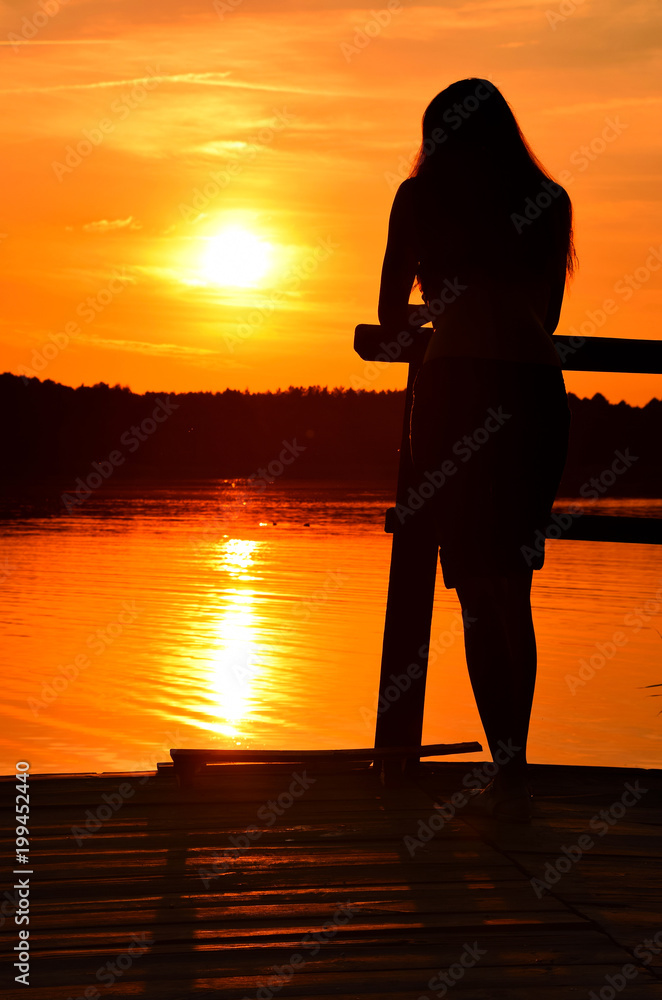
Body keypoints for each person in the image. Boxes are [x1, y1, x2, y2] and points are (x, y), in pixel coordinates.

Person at [377, 79, 576, 821]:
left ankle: (504, 760)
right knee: (511, 587)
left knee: (473, 587)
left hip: (458, 387)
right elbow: (547, 314)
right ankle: (514, 761)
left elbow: (389, 313)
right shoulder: (549, 202)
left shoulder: (419, 198)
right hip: (532, 392)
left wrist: (443, 309)